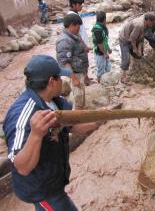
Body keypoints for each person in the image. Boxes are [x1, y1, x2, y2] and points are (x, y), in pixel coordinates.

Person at [3, 55, 100, 211]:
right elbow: (22, 167)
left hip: (54, 178)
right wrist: (35, 135)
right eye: (60, 77)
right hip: (42, 190)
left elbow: (70, 126)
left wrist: (98, 120)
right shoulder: (21, 116)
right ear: (51, 82)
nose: (63, 81)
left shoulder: (55, 101)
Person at [56, 13, 88, 110]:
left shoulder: (74, 34)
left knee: (81, 96)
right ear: (72, 25)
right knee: (78, 98)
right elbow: (65, 62)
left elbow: (80, 45)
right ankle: (77, 120)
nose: (79, 29)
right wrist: (74, 78)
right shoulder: (64, 41)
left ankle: (80, 113)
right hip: (75, 73)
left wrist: (86, 48)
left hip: (80, 70)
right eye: (78, 26)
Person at [119, 12, 155, 83]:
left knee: (139, 54)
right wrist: (134, 48)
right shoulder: (139, 25)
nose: (153, 25)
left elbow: (140, 39)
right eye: (152, 23)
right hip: (124, 39)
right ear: (148, 21)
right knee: (126, 58)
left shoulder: (147, 25)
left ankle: (138, 69)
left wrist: (139, 50)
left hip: (134, 38)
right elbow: (132, 39)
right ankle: (123, 77)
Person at [68, 0, 91, 85]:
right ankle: (85, 80)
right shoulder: (72, 16)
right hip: (79, 44)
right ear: (73, 5)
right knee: (82, 62)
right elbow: (74, 33)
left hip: (82, 44)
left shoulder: (75, 14)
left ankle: (86, 78)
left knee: (84, 61)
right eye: (80, 4)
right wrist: (83, 45)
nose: (81, 6)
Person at [92, 11, 112, 83]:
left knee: (108, 67)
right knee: (100, 70)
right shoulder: (97, 29)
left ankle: (107, 82)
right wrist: (105, 53)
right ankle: (99, 83)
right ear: (104, 19)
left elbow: (105, 40)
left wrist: (108, 49)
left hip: (103, 51)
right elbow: (100, 43)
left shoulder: (102, 27)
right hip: (99, 53)